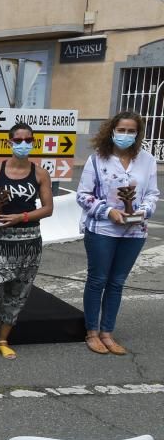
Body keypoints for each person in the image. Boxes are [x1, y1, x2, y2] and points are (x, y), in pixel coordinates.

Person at [76, 111, 158, 355]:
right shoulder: (97, 160)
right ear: (112, 131)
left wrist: (143, 211)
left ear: (137, 134)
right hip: (102, 230)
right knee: (98, 280)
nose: (125, 135)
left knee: (117, 282)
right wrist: (108, 211)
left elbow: (152, 194)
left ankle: (107, 332)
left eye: (131, 131)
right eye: (121, 130)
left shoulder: (147, 161)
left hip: (134, 233)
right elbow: (82, 195)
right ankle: (92, 332)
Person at [0, 122, 53, 360]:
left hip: (28, 242)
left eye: (28, 140)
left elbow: (48, 209)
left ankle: (4, 339)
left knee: (18, 292)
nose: (24, 144)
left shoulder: (40, 173)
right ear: (9, 143)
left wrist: (22, 217)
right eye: (18, 140)